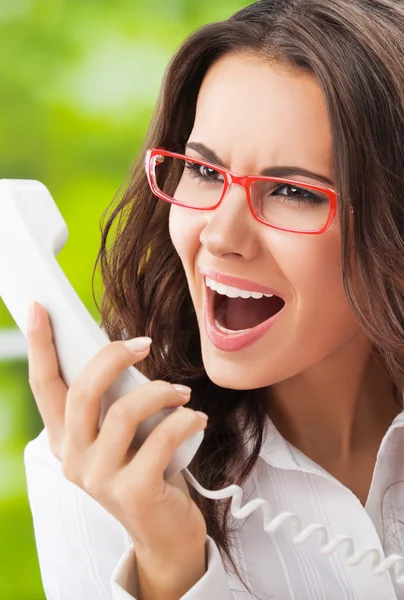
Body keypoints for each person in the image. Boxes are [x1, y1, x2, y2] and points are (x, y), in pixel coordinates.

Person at [23, 0, 404, 598]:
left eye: (290, 191)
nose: (220, 236)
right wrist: (170, 568)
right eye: (204, 173)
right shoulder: (99, 465)